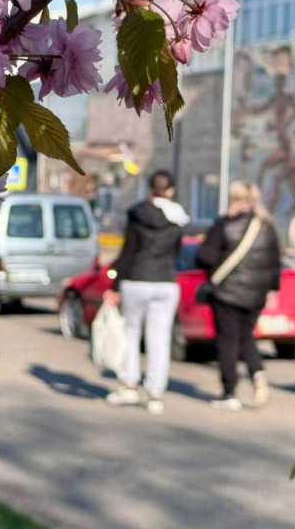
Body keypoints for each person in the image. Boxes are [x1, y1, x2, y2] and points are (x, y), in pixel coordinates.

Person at [103, 170, 190, 416]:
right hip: (165, 281)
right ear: (171, 190)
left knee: (131, 333)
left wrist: (114, 286)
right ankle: (155, 395)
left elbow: (129, 251)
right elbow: (176, 252)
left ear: (150, 188)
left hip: (136, 279)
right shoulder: (178, 216)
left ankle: (129, 385)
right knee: (159, 338)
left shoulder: (137, 213)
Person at [196, 182, 282, 412]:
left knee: (228, 341)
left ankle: (229, 392)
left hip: (227, 293)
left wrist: (220, 223)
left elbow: (204, 257)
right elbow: (275, 263)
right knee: (246, 337)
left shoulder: (225, 225)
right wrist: (272, 289)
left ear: (233, 198)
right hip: (256, 294)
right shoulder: (267, 226)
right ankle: (258, 374)